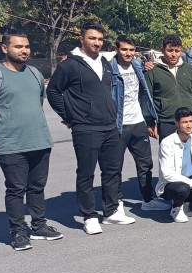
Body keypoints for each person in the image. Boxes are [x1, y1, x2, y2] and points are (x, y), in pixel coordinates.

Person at [0, 29, 62, 250]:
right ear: (5, 48)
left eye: (26, 46)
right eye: (18, 46)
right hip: (11, 145)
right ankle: (18, 232)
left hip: (40, 141)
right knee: (15, 189)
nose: (24, 50)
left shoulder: (34, 73)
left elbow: (37, 103)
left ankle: (39, 225)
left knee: (37, 187)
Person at [47, 21, 132, 235]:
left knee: (112, 170)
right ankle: (89, 216)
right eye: (92, 38)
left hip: (109, 125)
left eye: (100, 39)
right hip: (86, 128)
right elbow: (54, 92)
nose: (96, 43)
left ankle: (111, 211)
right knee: (86, 173)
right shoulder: (70, 65)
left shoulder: (104, 61)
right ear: (82, 38)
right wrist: (70, 116)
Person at [110, 35, 169, 213]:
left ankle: (147, 199)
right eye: (124, 49)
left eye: (131, 50)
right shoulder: (109, 69)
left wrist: (149, 121)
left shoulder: (137, 66)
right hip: (118, 125)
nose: (128, 53)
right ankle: (116, 204)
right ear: (116, 49)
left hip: (138, 122)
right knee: (114, 167)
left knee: (145, 165)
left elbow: (143, 94)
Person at [145, 34, 192, 141]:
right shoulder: (152, 71)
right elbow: (147, 99)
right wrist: (150, 123)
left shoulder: (188, 68)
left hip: (190, 120)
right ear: (163, 50)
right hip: (167, 122)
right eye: (170, 50)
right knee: (169, 155)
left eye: (177, 51)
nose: (174, 54)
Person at [156, 107, 192, 223]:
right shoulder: (167, 143)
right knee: (182, 189)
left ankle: (188, 201)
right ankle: (176, 207)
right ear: (177, 123)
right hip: (173, 184)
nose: (189, 125)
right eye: (185, 122)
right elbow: (167, 174)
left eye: (191, 121)